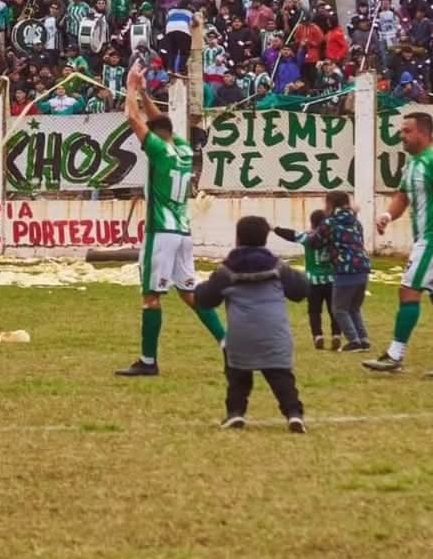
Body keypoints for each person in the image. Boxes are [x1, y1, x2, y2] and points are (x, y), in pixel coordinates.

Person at [115, 66, 226, 377]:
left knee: (151, 298)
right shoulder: (184, 151)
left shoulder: (159, 152)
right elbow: (159, 122)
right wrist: (145, 93)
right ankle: (227, 342)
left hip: (160, 232)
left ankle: (148, 361)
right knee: (190, 293)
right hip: (182, 231)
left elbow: (133, 118)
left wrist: (131, 87)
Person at [364, 112, 433, 377]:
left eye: (407, 131)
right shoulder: (412, 164)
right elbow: (402, 197)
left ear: (423, 133)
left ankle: (395, 355)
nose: (402, 136)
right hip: (427, 239)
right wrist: (387, 215)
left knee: (408, 290)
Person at [191, 216, 310, 433]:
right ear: (265, 239)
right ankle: (294, 413)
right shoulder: (278, 268)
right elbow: (301, 291)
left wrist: (200, 286)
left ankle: (236, 413)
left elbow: (205, 300)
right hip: (275, 335)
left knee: (238, 376)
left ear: (237, 238)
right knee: (281, 376)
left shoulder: (226, 271)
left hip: (241, 336)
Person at [299, 191, 372, 352]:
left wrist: (309, 234)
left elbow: (316, 242)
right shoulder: (355, 221)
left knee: (339, 309)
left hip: (345, 269)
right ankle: (364, 340)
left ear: (330, 204)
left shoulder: (329, 222)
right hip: (363, 267)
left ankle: (354, 341)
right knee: (354, 308)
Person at [273, 211, 341, 351]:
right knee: (334, 309)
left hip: (313, 281)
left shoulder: (308, 238)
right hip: (331, 279)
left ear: (312, 223)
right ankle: (336, 334)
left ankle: (318, 335)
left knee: (314, 311)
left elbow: (291, 235)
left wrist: (275, 229)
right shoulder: (333, 237)